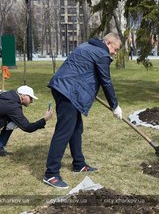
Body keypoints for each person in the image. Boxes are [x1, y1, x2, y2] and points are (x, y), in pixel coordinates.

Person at [43, 32, 123, 189]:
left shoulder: (87, 46)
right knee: (63, 132)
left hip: (64, 87)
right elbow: (106, 81)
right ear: (108, 43)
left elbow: (83, 71)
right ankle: (51, 174)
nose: (115, 53)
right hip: (68, 91)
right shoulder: (101, 54)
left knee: (76, 129)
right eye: (116, 49)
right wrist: (115, 105)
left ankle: (79, 163)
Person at [0, 85, 53, 162]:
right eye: (31, 98)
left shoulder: (9, 98)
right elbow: (28, 127)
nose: (31, 101)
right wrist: (44, 119)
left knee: (13, 122)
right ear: (23, 96)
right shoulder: (12, 106)